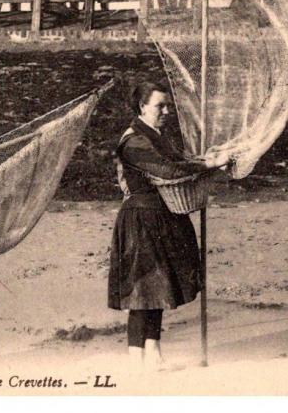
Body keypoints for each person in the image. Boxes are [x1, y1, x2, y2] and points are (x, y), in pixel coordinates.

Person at [108, 81, 230, 373]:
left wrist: (207, 159)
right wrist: (209, 167)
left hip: (162, 216)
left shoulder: (156, 136)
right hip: (140, 220)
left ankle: (154, 354)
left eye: (168, 105)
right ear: (142, 107)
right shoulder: (134, 141)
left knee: (159, 288)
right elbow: (168, 170)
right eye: (159, 106)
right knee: (142, 291)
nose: (167, 111)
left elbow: (180, 161)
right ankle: (136, 361)